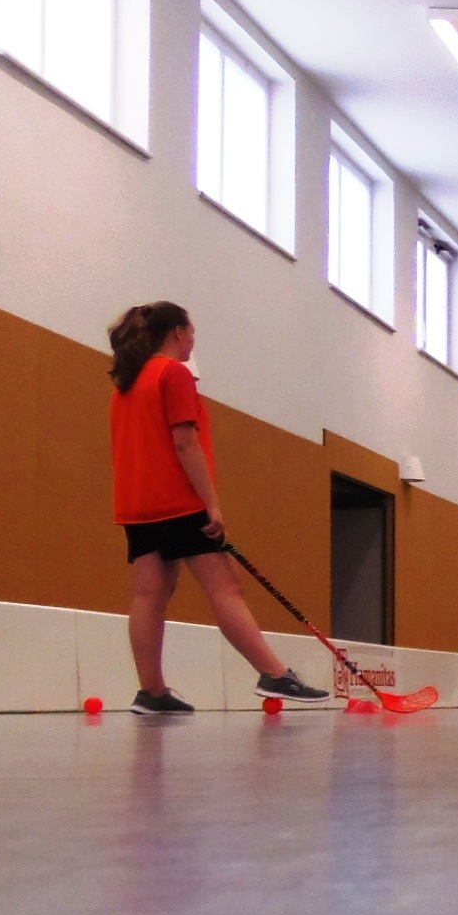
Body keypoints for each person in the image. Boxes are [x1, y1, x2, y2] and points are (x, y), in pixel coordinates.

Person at [104, 301, 329, 715]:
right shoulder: (174, 374)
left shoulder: (127, 384)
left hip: (137, 505)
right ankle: (274, 673)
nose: (193, 340)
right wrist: (211, 503)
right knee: (225, 588)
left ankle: (151, 692)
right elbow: (185, 443)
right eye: (191, 332)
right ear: (177, 332)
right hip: (179, 501)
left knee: (149, 595)